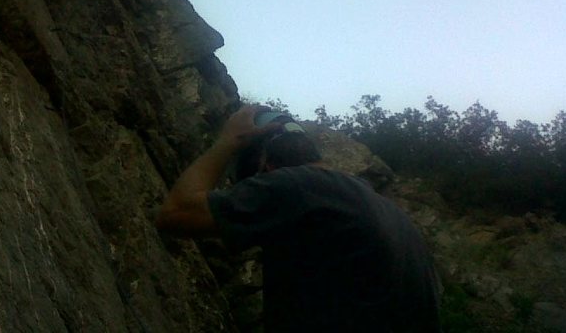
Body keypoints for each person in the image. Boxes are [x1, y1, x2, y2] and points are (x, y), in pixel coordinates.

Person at [156, 105, 442, 332]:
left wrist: (228, 142)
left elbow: (177, 212)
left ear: (265, 166)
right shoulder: (392, 217)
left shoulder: (300, 186)